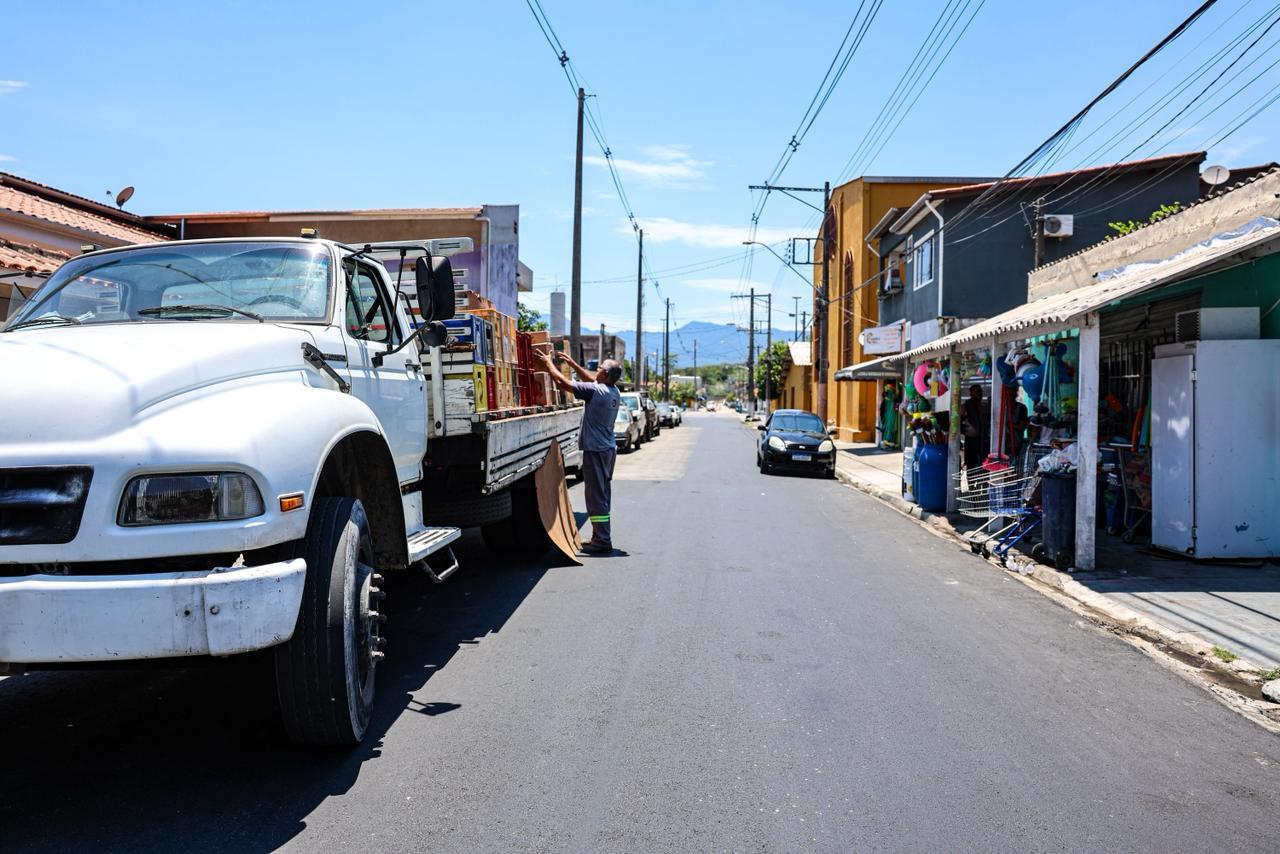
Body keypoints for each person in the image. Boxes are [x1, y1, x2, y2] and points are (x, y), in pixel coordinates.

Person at [535, 349, 622, 555]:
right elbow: (592, 381)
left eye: (599, 368)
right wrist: (573, 364)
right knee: (602, 494)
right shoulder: (613, 391)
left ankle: (602, 540)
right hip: (607, 450)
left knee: (595, 496)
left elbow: (562, 383)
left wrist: (548, 363)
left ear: (605, 374)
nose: (596, 370)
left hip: (596, 450)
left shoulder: (596, 392)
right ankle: (601, 536)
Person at [961, 384, 989, 469]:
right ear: (971, 394)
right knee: (971, 466)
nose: (979, 394)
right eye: (976, 392)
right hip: (971, 440)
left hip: (983, 440)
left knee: (984, 465)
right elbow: (958, 422)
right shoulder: (966, 405)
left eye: (980, 392)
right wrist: (966, 430)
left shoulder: (984, 406)